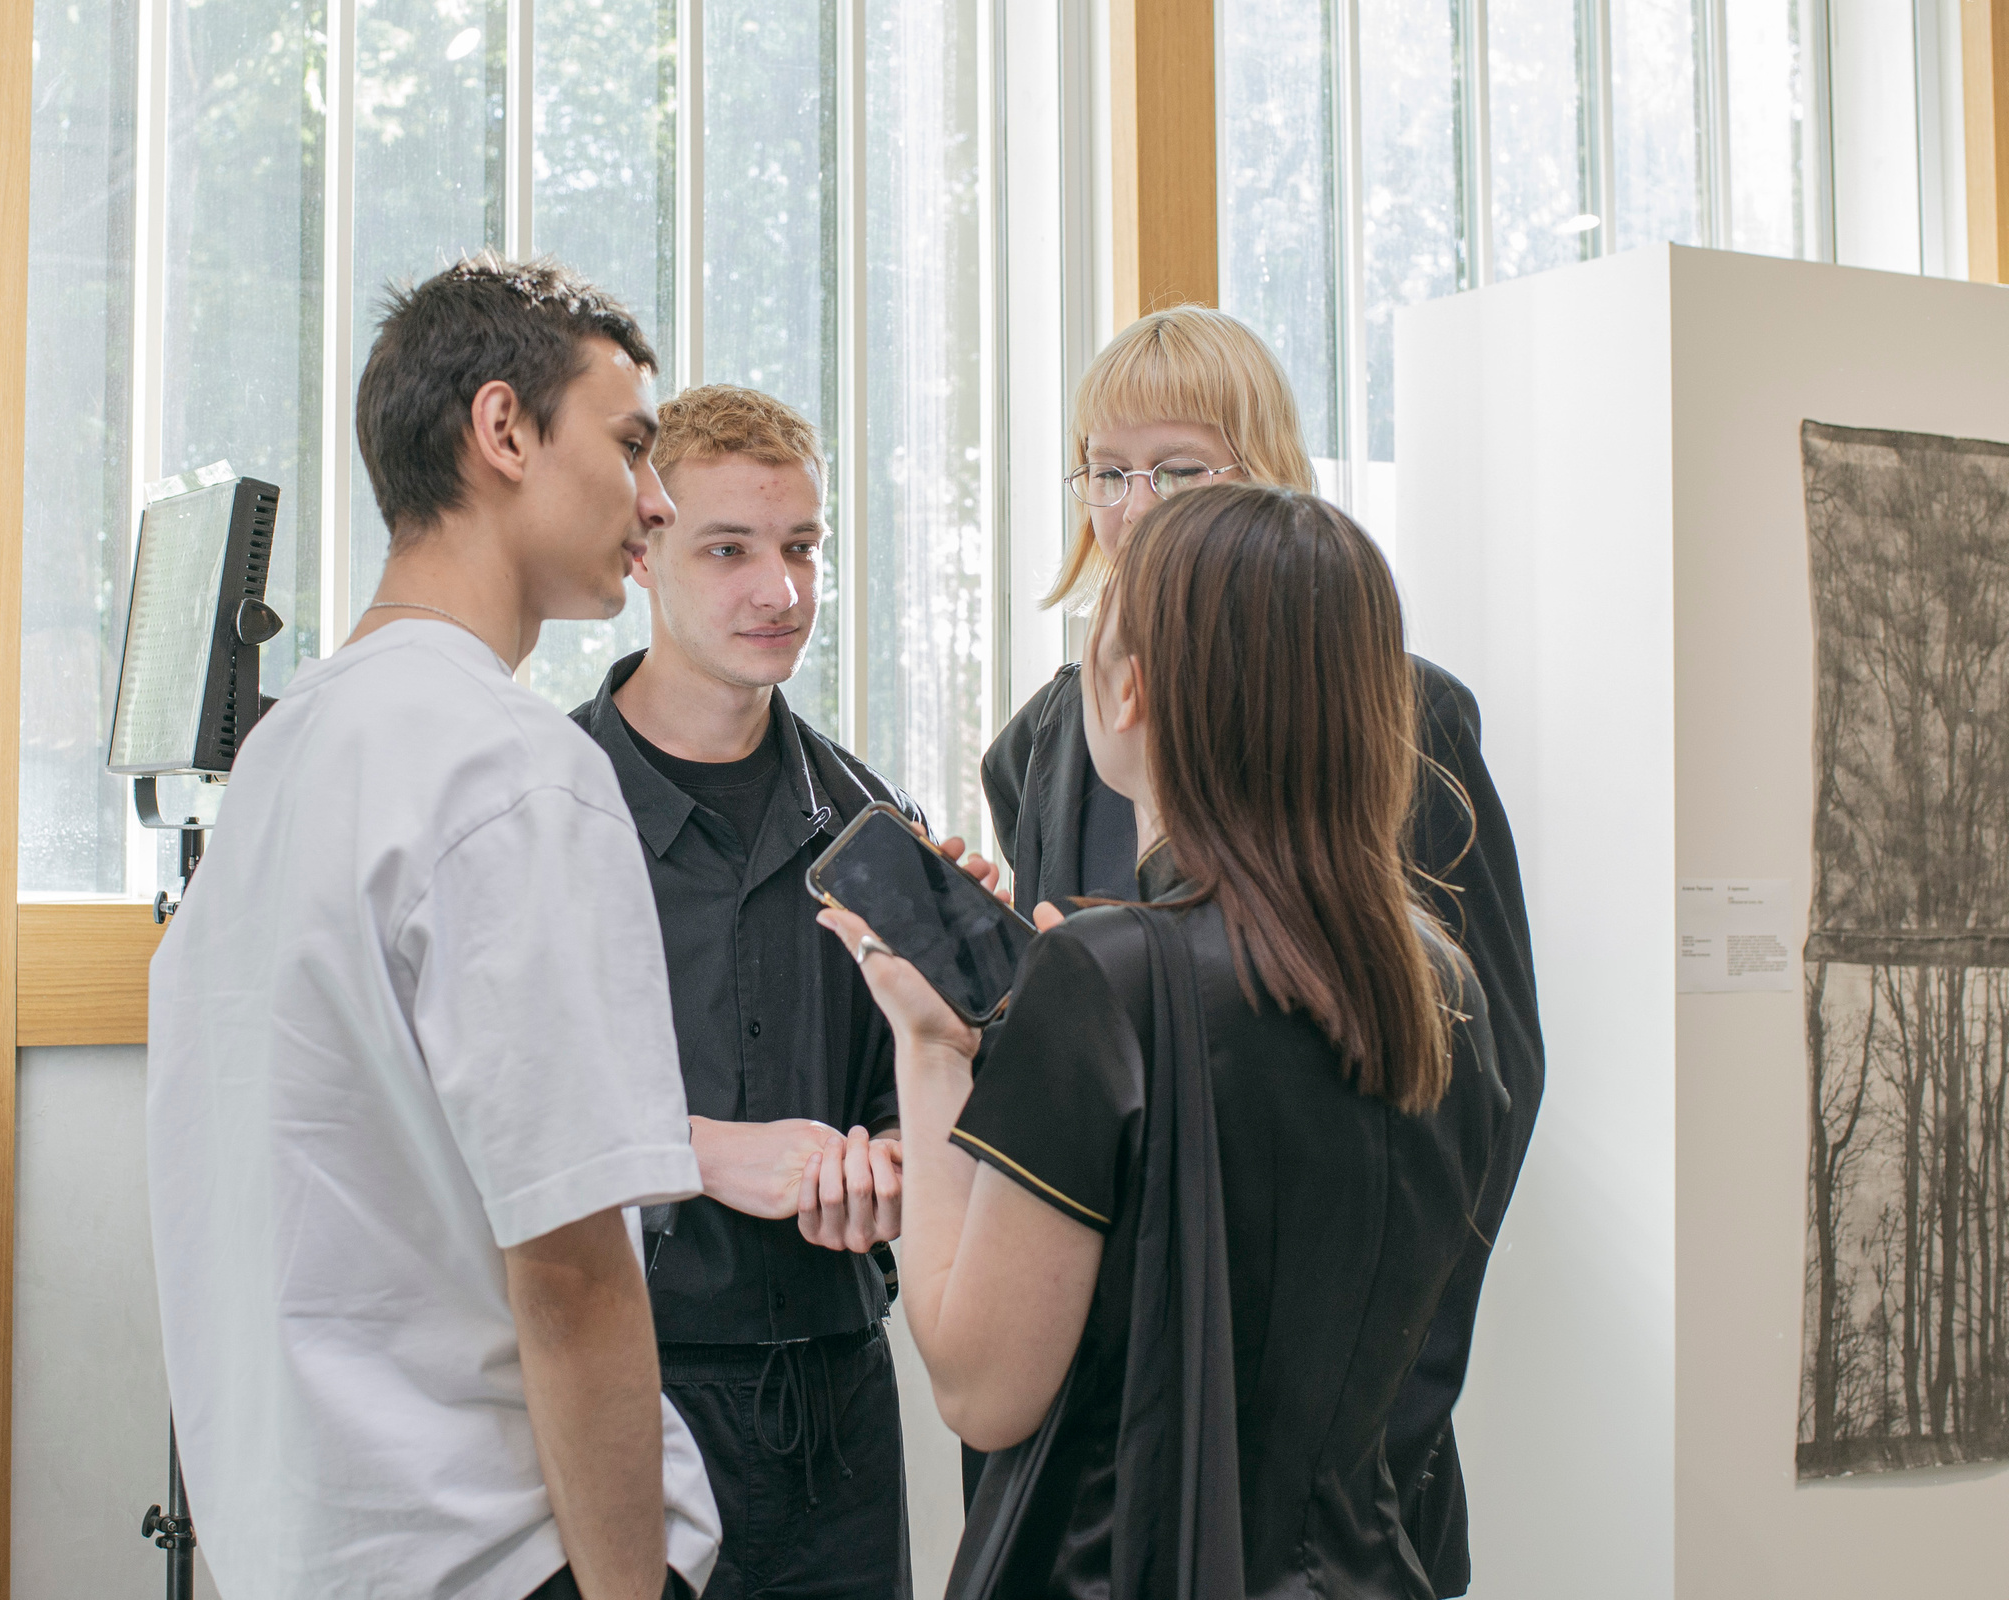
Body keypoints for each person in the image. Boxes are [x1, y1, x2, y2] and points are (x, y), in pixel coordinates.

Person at [144, 255, 720, 1600]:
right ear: (503, 428)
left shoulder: (284, 757)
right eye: (630, 444)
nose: (657, 499)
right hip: (503, 1559)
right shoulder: (509, 765)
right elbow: (572, 1270)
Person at [820, 483, 1512, 1599]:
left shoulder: (1104, 980)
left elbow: (981, 1390)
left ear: (1128, 688)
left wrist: (933, 1049)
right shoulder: (1439, 985)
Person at [979, 306, 1543, 1591]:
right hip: (1098, 1412)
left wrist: (1371, 1418)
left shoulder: (1402, 713)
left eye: (1178, 471)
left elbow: (1486, 1081)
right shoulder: (1043, 742)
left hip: (1330, 1429)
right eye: (1106, 472)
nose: (1133, 509)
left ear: (1268, 470)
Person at [569, 383, 923, 1600]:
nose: (780, 590)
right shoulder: (545, 810)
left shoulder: (876, 826)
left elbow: (920, 1098)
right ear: (643, 550)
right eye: (728, 549)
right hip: (618, 1386)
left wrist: (890, 1167)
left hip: (839, 1404)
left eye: (801, 547)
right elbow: (463, 1118)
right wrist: (701, 1152)